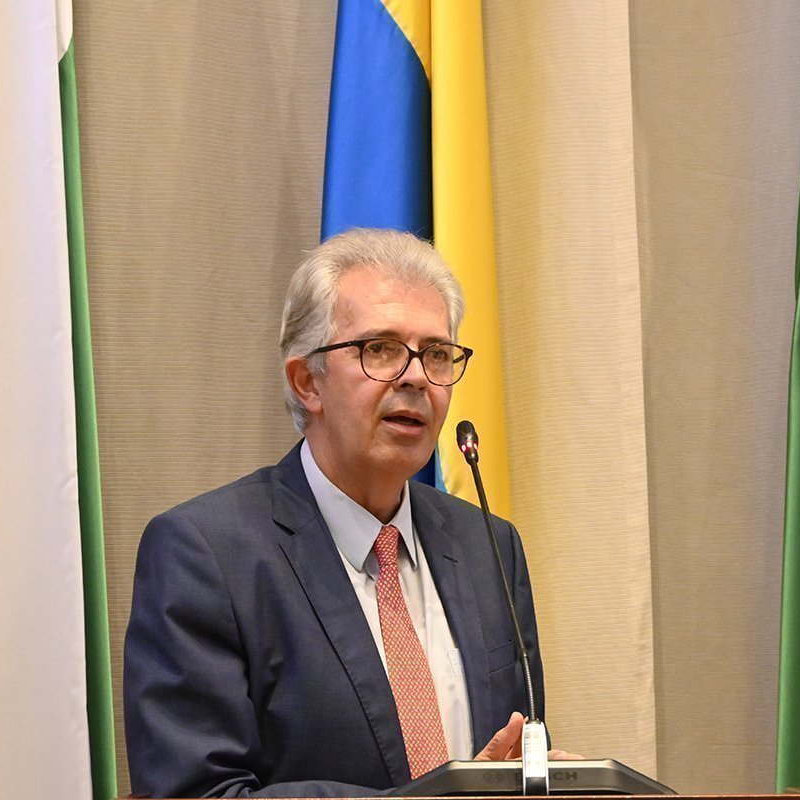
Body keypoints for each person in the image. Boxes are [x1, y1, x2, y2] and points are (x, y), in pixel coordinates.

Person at [124, 229, 546, 797]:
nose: (417, 377)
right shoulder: (206, 556)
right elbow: (197, 792)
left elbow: (520, 754)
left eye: (437, 354)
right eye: (381, 349)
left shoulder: (489, 546)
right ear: (307, 383)